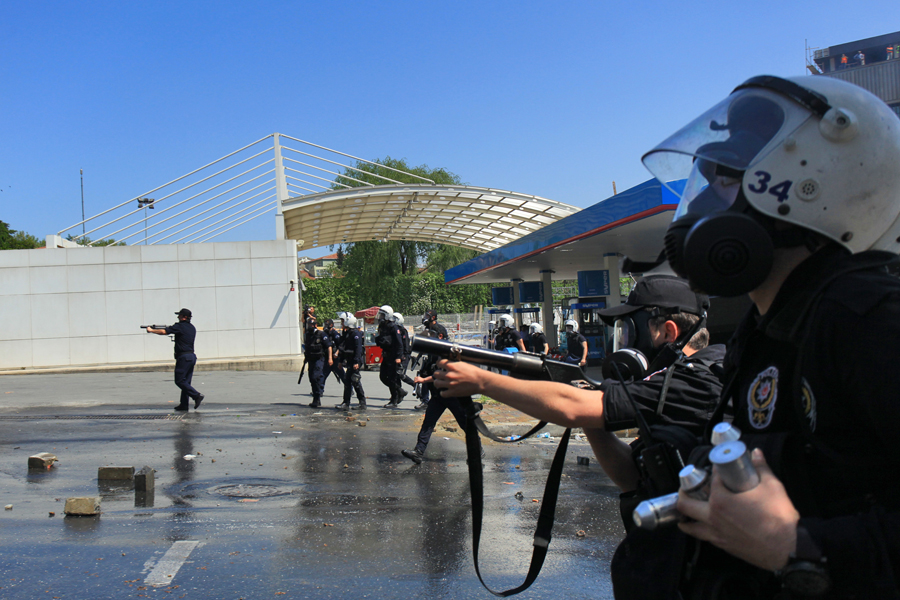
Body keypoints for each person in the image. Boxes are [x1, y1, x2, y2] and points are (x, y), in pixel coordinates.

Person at [639, 74, 900, 598]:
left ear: (812, 185)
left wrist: (798, 546)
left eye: (730, 177)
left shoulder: (871, 319)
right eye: (708, 176)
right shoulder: (767, 327)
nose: (710, 198)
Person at [434, 276, 722, 490]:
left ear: (668, 332)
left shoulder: (692, 381)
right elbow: (632, 477)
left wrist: (482, 381)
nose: (624, 345)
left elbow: (571, 407)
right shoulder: (680, 379)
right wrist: (591, 418)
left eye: (629, 332)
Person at [401, 329, 481, 465]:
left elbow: (441, 375)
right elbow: (429, 371)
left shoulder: (445, 353)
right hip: (438, 396)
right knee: (428, 423)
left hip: (453, 395)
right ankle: (418, 452)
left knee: (465, 424)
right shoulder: (431, 355)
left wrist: (423, 380)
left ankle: (477, 450)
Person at [147, 308, 205, 412]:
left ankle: (196, 396)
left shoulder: (180, 326)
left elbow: (164, 331)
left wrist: (151, 330)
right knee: (186, 382)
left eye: (180, 315)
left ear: (184, 317)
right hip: (191, 356)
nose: (178, 317)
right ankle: (184, 404)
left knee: (179, 381)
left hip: (184, 357)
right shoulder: (192, 327)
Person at [415, 310, 449, 410]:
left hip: (437, 356)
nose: (425, 317)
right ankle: (425, 401)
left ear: (433, 317)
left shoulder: (439, 329)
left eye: (427, 316)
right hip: (429, 356)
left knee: (434, 377)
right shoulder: (427, 328)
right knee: (424, 374)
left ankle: (440, 399)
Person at [374, 305, 406, 407]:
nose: (380, 317)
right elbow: (380, 341)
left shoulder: (393, 327)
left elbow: (399, 343)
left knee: (393, 378)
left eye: (382, 315)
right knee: (383, 377)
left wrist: (398, 357)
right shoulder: (382, 327)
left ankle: (394, 400)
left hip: (393, 356)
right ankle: (399, 390)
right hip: (386, 355)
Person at [335, 313, 367, 411]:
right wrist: (340, 361)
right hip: (349, 360)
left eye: (343, 321)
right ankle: (347, 403)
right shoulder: (346, 333)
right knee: (348, 382)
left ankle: (361, 403)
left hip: (354, 361)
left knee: (355, 381)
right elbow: (343, 348)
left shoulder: (355, 333)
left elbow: (358, 349)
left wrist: (356, 362)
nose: (341, 323)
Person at [303, 316, 332, 408]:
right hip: (311, 359)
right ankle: (316, 399)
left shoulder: (321, 334)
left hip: (319, 359)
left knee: (316, 377)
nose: (310, 326)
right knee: (311, 378)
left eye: (312, 324)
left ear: (315, 325)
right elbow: (307, 347)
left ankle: (318, 395)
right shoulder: (307, 335)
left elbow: (329, 346)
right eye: (309, 324)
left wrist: (330, 358)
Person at [321, 318, 345, 388]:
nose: (326, 326)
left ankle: (349, 389)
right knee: (323, 375)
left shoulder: (335, 334)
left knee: (342, 375)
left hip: (335, 358)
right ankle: (319, 391)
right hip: (327, 358)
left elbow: (340, 345)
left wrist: (337, 353)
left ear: (331, 325)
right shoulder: (324, 334)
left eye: (327, 324)